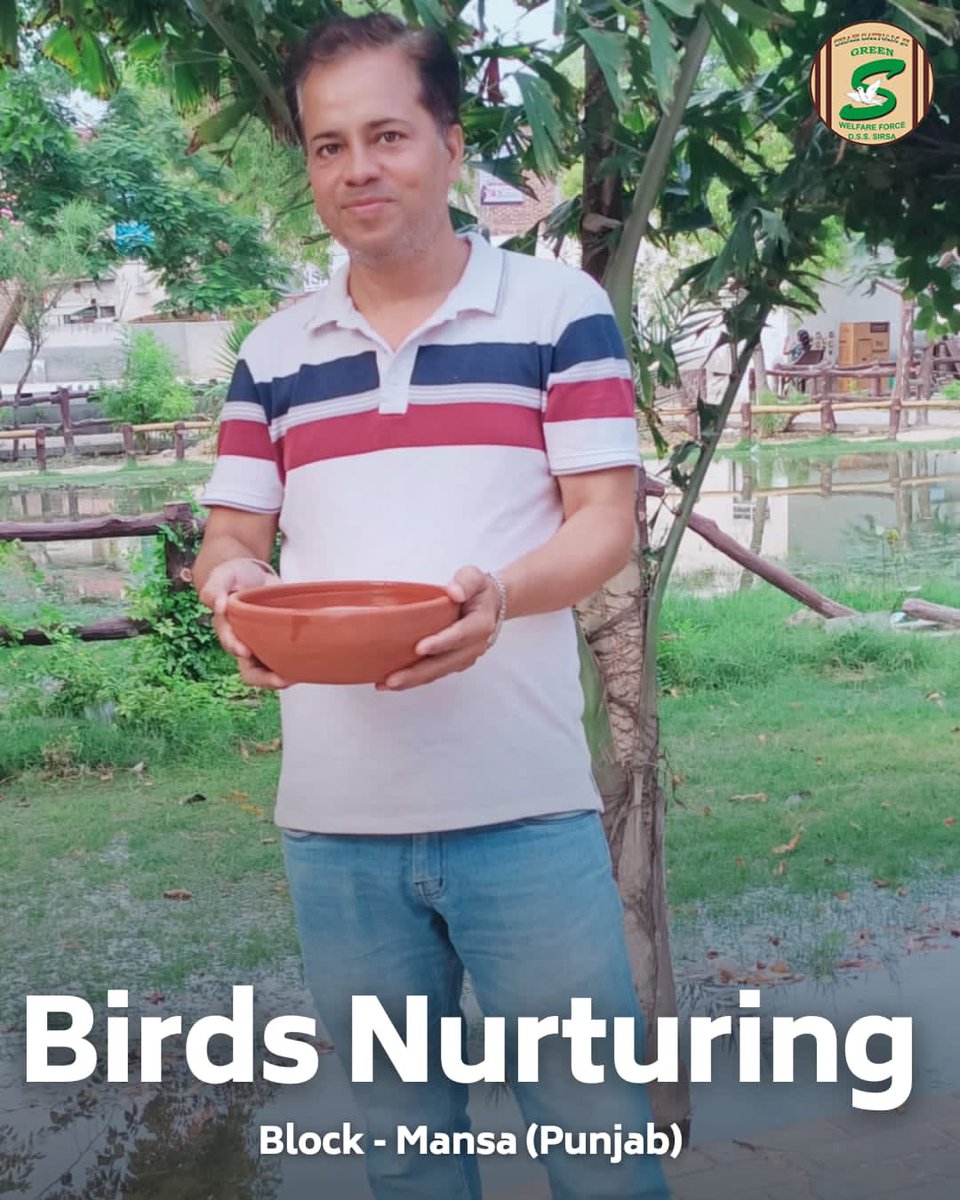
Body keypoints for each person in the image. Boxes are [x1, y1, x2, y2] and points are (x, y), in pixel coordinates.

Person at [193, 14, 671, 1199]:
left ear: (451, 146)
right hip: (333, 826)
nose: (357, 168)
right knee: (406, 1158)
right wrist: (233, 596)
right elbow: (234, 535)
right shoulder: (274, 349)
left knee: (599, 1153)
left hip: (525, 808)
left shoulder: (557, 314)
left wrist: (499, 594)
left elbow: (604, 523)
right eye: (327, 144)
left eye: (388, 134)